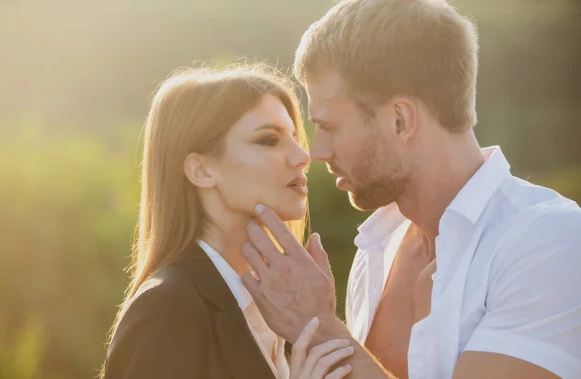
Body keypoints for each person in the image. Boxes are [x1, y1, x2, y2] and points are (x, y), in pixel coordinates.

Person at [240, 1, 581, 378]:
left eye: (331, 127)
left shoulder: (554, 241)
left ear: (400, 120)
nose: (317, 152)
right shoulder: (377, 249)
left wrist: (319, 327)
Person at [100, 65, 354, 379]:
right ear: (202, 171)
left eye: (295, 137)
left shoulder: (276, 312)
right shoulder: (166, 308)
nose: (302, 155)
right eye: (269, 140)